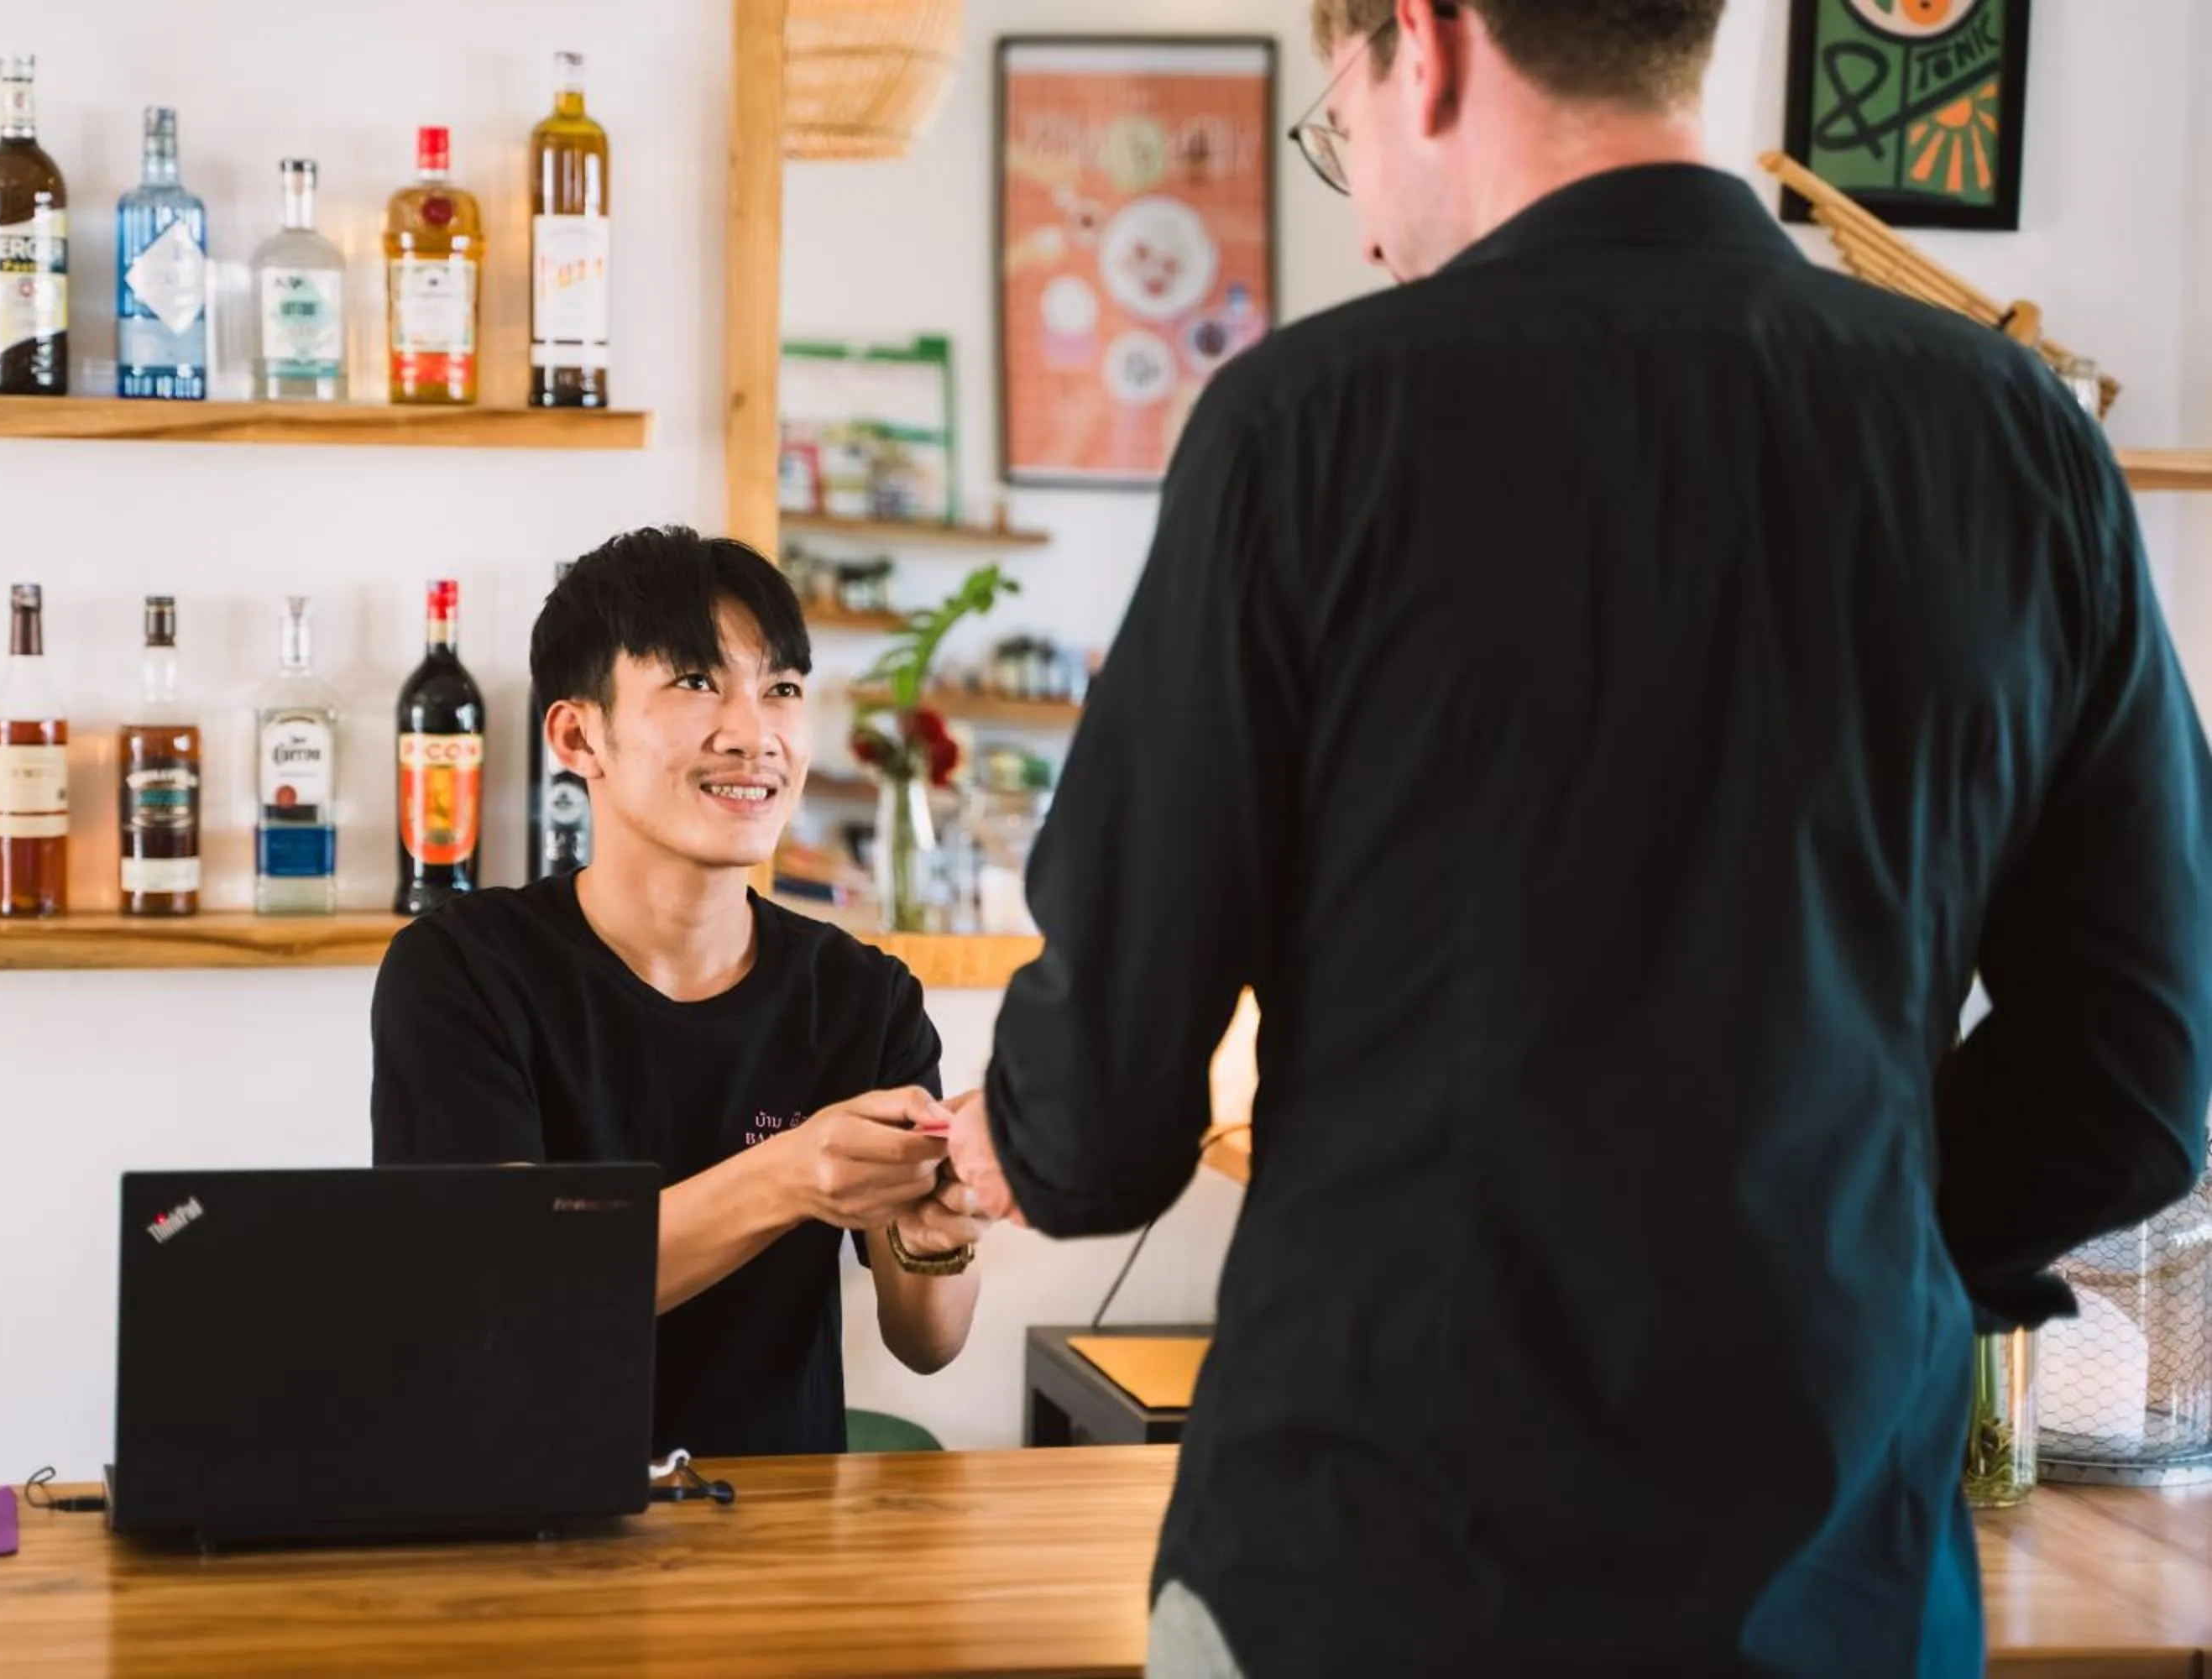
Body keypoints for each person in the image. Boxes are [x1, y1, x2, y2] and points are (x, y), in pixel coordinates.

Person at [942, 2, 2212, 1673]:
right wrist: (1841, 1232)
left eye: (1345, 124)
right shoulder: (2018, 441)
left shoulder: (1306, 430)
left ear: (1427, 41)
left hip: (1373, 1568)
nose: (1368, 205)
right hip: (1834, 1578)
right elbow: (2139, 1078)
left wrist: (1008, 1134)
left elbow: (1102, 1119)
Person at [373, 526, 987, 1461]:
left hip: (773, 1536)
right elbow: (498, 1297)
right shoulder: (463, 968)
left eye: (781, 688)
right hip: (519, 1524)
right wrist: (790, 1172)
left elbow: (928, 1341)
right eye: (697, 681)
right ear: (580, 735)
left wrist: (935, 1230)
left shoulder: (864, 996)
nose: (755, 732)